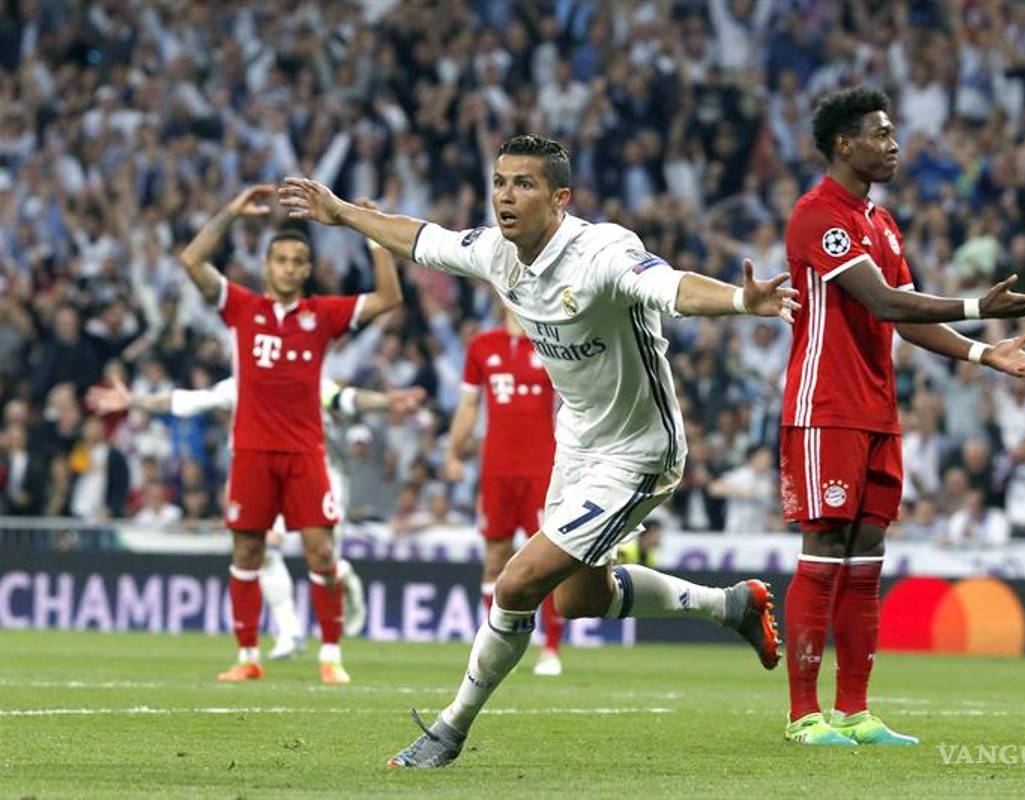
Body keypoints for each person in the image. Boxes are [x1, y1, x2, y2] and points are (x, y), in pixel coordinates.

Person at [279, 133, 799, 768]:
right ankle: (733, 605)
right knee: (578, 600)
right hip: (578, 441)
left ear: (560, 199)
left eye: (523, 184)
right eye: (499, 182)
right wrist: (340, 211)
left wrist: (742, 299)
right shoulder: (497, 253)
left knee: (517, 581)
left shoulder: (603, 252)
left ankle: (449, 729)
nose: (505, 196)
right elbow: (420, 238)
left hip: (639, 450)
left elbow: (672, 288)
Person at [778, 87, 1025, 746]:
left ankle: (855, 710)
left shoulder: (881, 222)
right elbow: (887, 303)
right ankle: (802, 716)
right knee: (824, 549)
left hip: (877, 408)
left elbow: (904, 314)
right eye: (881, 133)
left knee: (867, 555)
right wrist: (973, 306)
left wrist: (986, 354)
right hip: (827, 408)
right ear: (845, 143)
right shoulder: (819, 215)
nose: (894, 144)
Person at [175, 185, 402, 684]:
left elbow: (389, 298)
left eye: (299, 260)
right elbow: (191, 260)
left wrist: (374, 238)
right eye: (281, 259)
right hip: (252, 451)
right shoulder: (241, 308)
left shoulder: (321, 315)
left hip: (305, 453)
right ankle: (247, 657)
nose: (290, 267)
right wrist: (231, 212)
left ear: (306, 269)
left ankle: (331, 657)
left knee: (323, 553)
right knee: (247, 554)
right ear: (267, 264)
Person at [87, 371, 424, 658]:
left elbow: (347, 399)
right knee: (265, 547)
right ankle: (290, 631)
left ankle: (345, 577)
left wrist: (386, 401)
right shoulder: (242, 380)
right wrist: (135, 401)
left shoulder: (306, 373)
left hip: (321, 471)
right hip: (269, 472)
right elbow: (185, 401)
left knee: (323, 557)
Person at [446, 305, 565, 676]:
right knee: (495, 555)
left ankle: (551, 648)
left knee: (547, 559)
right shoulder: (482, 346)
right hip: (496, 467)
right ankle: (492, 644)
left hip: (541, 467)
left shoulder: (552, 342)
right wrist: (453, 451)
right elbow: (468, 405)